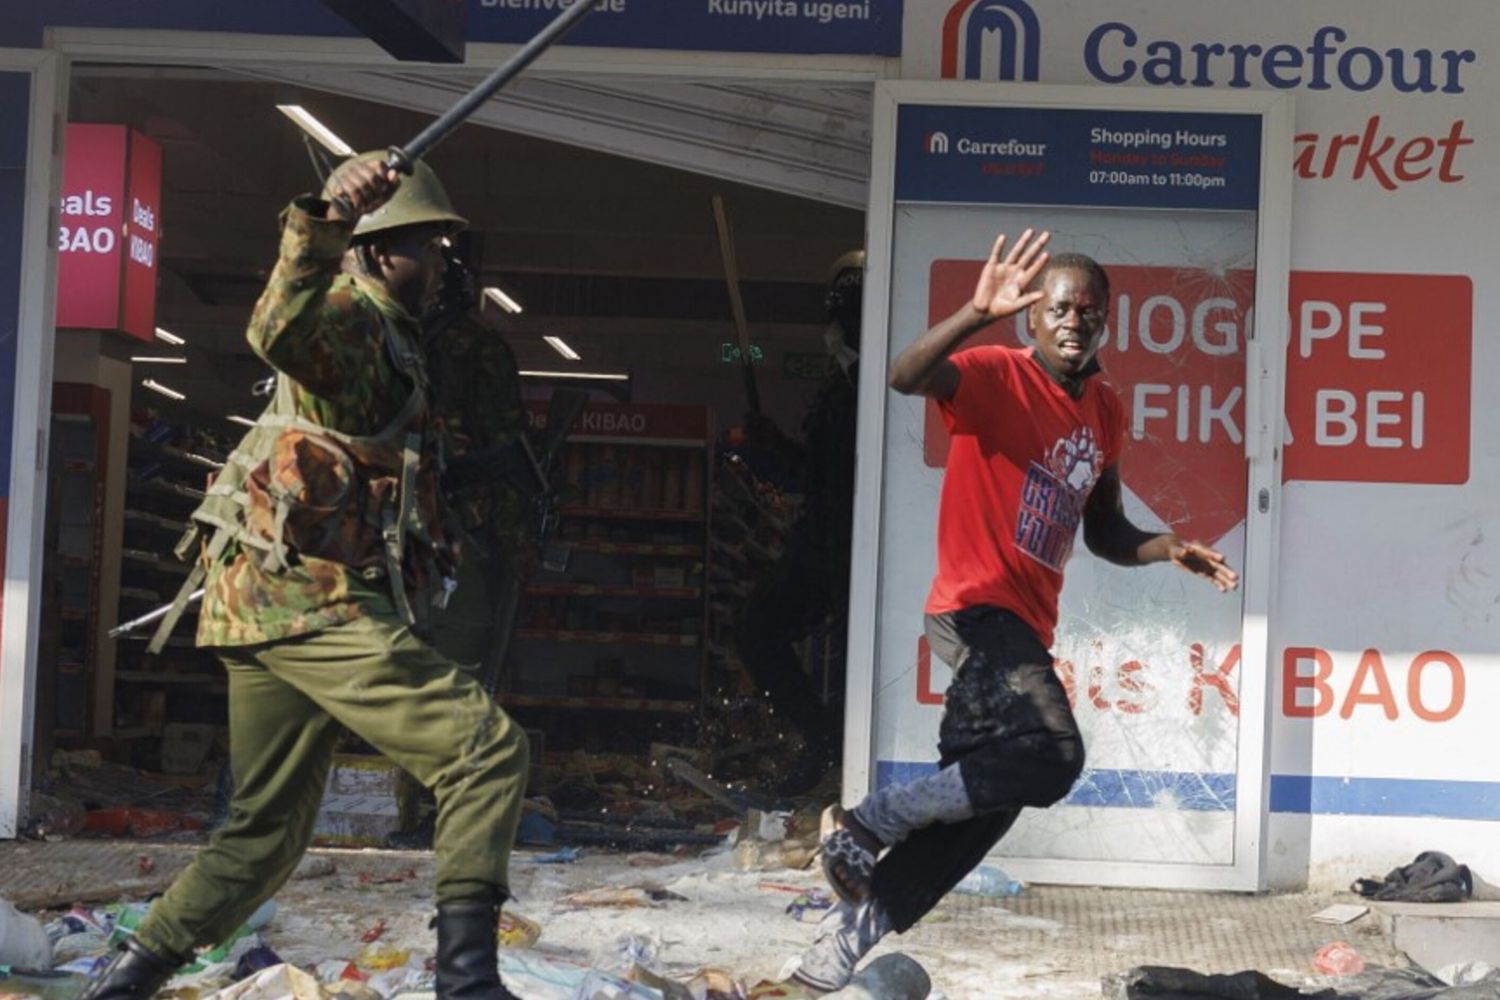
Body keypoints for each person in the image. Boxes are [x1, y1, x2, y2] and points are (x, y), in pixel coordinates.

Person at [84, 154, 531, 1000]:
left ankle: (127, 981)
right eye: (425, 248)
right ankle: (468, 983)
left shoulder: (397, 336)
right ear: (378, 251)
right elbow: (277, 329)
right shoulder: (351, 315)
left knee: (264, 837)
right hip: (305, 599)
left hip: (267, 599)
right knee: (486, 750)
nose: (439, 265)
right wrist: (326, 219)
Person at [786, 230, 1239, 993]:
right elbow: (904, 376)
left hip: (1022, 625)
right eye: (1060, 308)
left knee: (979, 817)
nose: (1074, 322)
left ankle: (830, 953)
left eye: (1089, 312)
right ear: (1034, 317)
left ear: (1106, 321)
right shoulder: (996, 375)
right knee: (1055, 753)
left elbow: (1104, 530)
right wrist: (974, 313)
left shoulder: (1104, 412)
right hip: (974, 609)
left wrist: (1167, 547)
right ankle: (871, 819)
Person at [735, 250, 863, 794]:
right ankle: (824, 739)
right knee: (758, 629)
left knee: (849, 659)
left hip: (856, 548)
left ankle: (838, 750)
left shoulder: (876, 383)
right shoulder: (841, 385)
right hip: (824, 544)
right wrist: (773, 448)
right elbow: (817, 473)